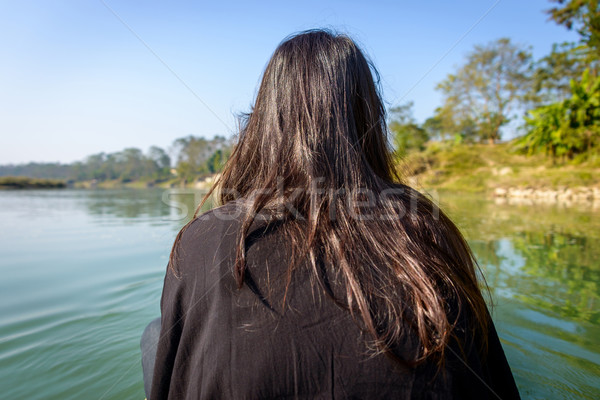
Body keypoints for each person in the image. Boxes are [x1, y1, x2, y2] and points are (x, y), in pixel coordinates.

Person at [141, 29, 521, 399]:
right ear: (367, 117)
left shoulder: (203, 238)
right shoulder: (426, 230)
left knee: (156, 336)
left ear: (265, 122)